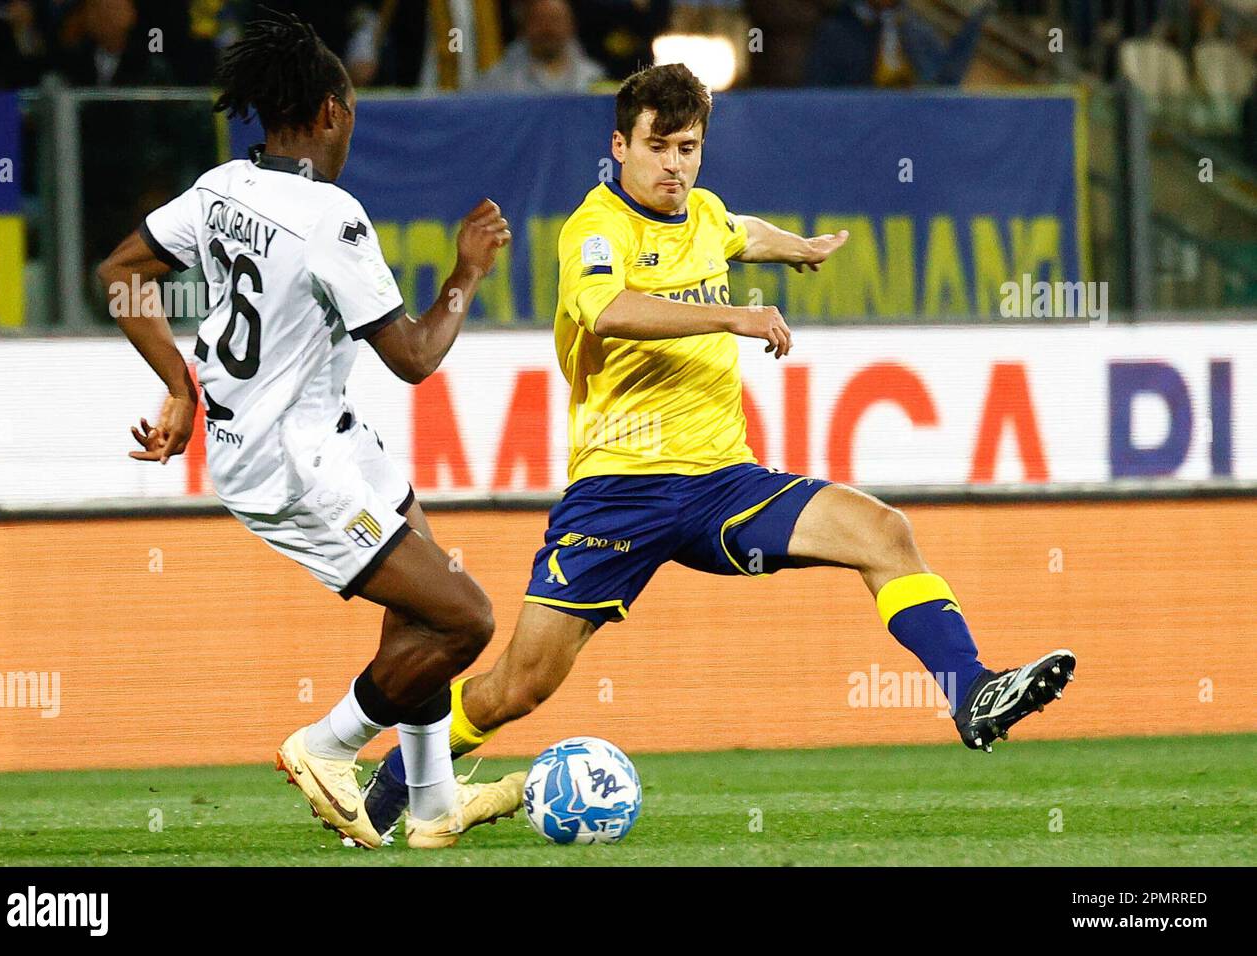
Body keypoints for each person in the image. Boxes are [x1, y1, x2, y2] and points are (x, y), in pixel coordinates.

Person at [360, 62, 1077, 842]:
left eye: (689, 147)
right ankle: (390, 788)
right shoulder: (594, 229)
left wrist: (797, 246)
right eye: (658, 146)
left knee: (884, 532)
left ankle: (971, 692)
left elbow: (740, 231)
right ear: (620, 146)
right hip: (618, 493)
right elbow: (606, 310)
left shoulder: (703, 215)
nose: (674, 165)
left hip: (723, 485)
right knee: (516, 688)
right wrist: (734, 316)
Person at [96, 10, 523, 850]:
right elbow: (413, 356)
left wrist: (178, 387)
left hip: (327, 434)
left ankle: (432, 806)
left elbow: (120, 273)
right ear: (331, 111)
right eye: (353, 111)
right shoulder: (333, 217)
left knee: (423, 598)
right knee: (465, 619)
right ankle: (326, 746)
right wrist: (466, 274)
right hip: (291, 463)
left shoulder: (221, 188)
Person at [804, 0, 992, 88]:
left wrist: (974, 27)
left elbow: (943, 82)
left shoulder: (915, 29)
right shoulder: (836, 31)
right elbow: (819, 95)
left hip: (909, 130)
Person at [477, 0, 606, 94]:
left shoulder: (593, 78)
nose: (548, 29)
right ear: (523, 27)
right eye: (539, 21)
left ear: (571, 26)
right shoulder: (498, 81)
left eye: (555, 20)